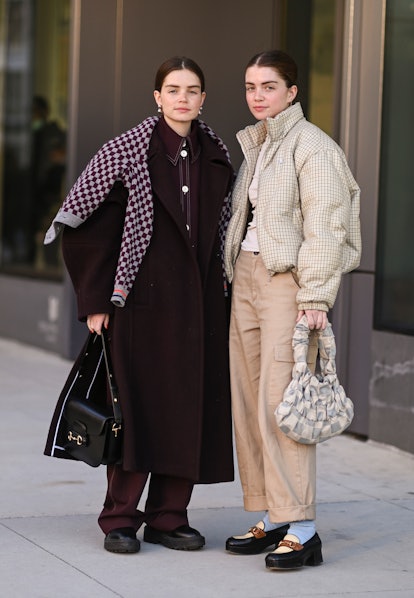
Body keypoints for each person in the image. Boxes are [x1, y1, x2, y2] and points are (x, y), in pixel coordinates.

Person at [44, 56, 234, 554]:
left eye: (192, 90)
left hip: (201, 310)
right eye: (173, 89)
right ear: (157, 96)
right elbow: (85, 224)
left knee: (186, 411)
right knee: (135, 409)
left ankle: (169, 517)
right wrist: (96, 300)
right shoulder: (126, 150)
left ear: (203, 99)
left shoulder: (218, 155)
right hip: (139, 305)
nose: (182, 98)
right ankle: (120, 519)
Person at [223, 50, 361, 570]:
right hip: (248, 277)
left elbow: (328, 224)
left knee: (283, 405)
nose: (258, 95)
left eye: (269, 86)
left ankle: (303, 528)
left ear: (292, 92)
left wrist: (315, 296)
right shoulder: (258, 145)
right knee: (249, 402)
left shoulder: (313, 147)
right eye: (250, 86)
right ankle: (274, 514)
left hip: (288, 283)